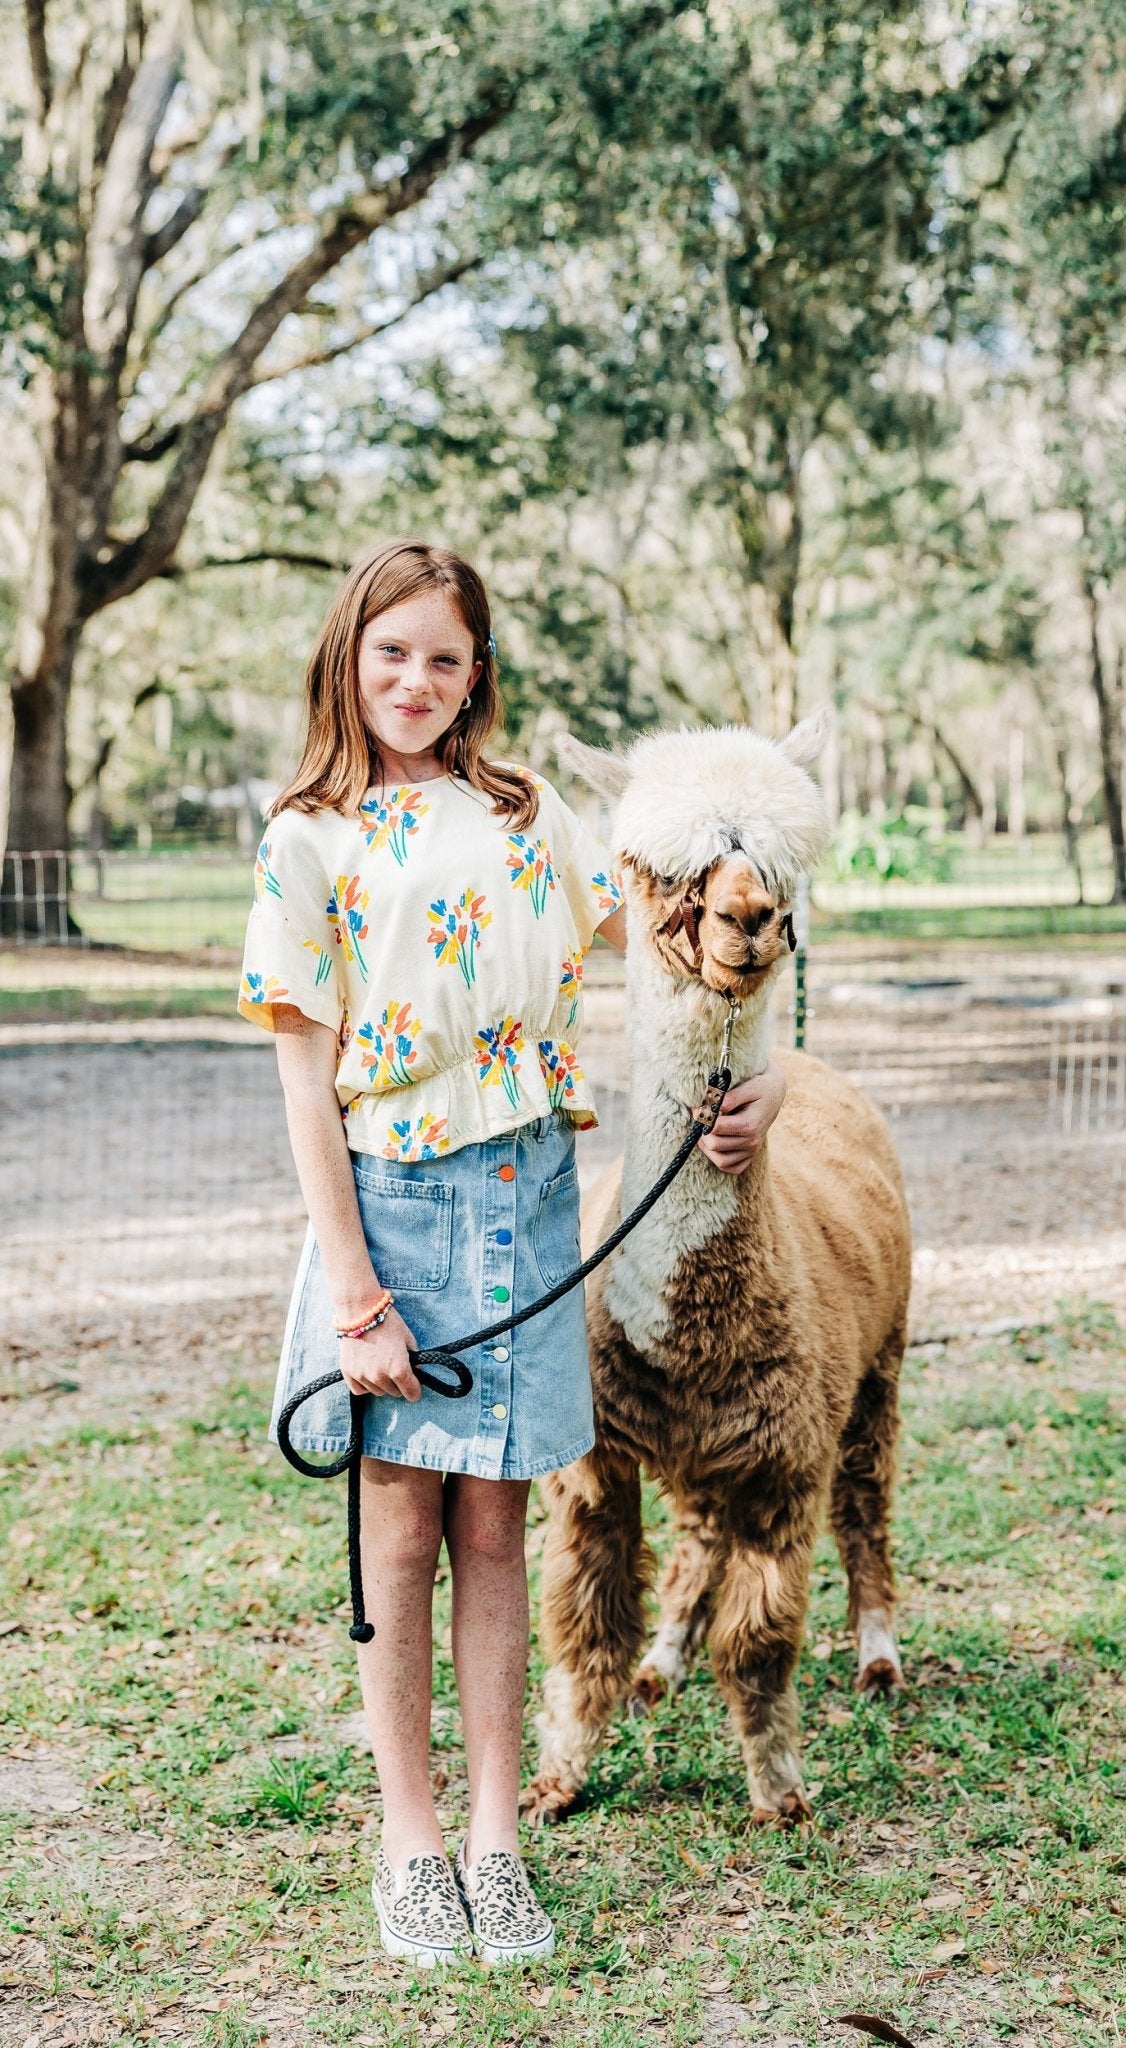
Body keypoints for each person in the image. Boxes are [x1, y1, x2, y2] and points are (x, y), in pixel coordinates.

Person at [237, 540, 786, 1968]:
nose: (417, 680)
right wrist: (355, 1296)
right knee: (401, 1528)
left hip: (530, 1199)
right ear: (348, 657)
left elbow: (695, 942)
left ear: (478, 670)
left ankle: (495, 1836)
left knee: (497, 1528)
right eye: (391, 651)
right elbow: (305, 1086)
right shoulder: (310, 834)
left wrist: (771, 1077)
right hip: (395, 1211)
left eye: (445, 655)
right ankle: (408, 1841)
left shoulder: (529, 810)